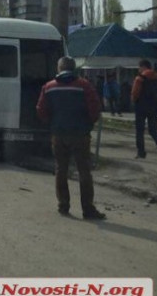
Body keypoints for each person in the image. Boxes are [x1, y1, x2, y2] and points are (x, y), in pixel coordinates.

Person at [36, 56, 105, 219]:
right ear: (74, 69)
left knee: (61, 169)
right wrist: (88, 124)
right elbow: (95, 108)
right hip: (80, 134)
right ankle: (88, 209)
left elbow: (41, 110)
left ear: (59, 69)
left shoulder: (49, 87)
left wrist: (52, 124)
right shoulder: (84, 85)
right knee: (84, 171)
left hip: (59, 134)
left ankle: (63, 205)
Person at [130, 59, 157, 160]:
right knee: (153, 130)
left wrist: (133, 100)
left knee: (140, 131)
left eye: (139, 67)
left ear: (143, 67)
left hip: (141, 107)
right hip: (154, 108)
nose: (139, 69)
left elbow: (135, 93)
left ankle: (141, 153)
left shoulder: (140, 78)